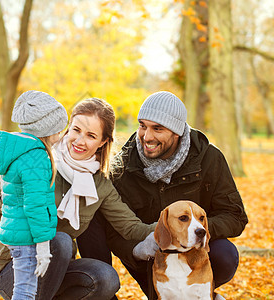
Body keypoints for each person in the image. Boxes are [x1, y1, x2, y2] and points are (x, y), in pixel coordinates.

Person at [76, 91, 248, 300]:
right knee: (92, 208)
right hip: (147, 257)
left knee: (225, 254)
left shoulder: (209, 158)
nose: (147, 137)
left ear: (177, 132)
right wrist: (139, 249)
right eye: (142, 125)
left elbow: (235, 216)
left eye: (157, 128)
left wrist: (193, 232)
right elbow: (114, 228)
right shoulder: (124, 165)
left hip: (197, 254)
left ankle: (202, 291)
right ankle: (103, 293)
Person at [0, 97, 156, 300]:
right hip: (15, 268)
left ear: (103, 142)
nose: (79, 141)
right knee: (60, 241)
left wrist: (172, 228)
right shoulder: (35, 161)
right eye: (76, 130)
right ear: (67, 128)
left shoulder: (99, 185)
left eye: (91, 135)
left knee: (106, 278)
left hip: (57, 273)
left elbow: (131, 227)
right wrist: (13, 190)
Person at [0, 90, 68, 299]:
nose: (61, 134)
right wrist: (43, 247)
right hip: (26, 237)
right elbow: (35, 204)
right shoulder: (36, 157)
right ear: (47, 128)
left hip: (15, 232)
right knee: (25, 292)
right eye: (59, 128)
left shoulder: (19, 151)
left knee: (25, 289)